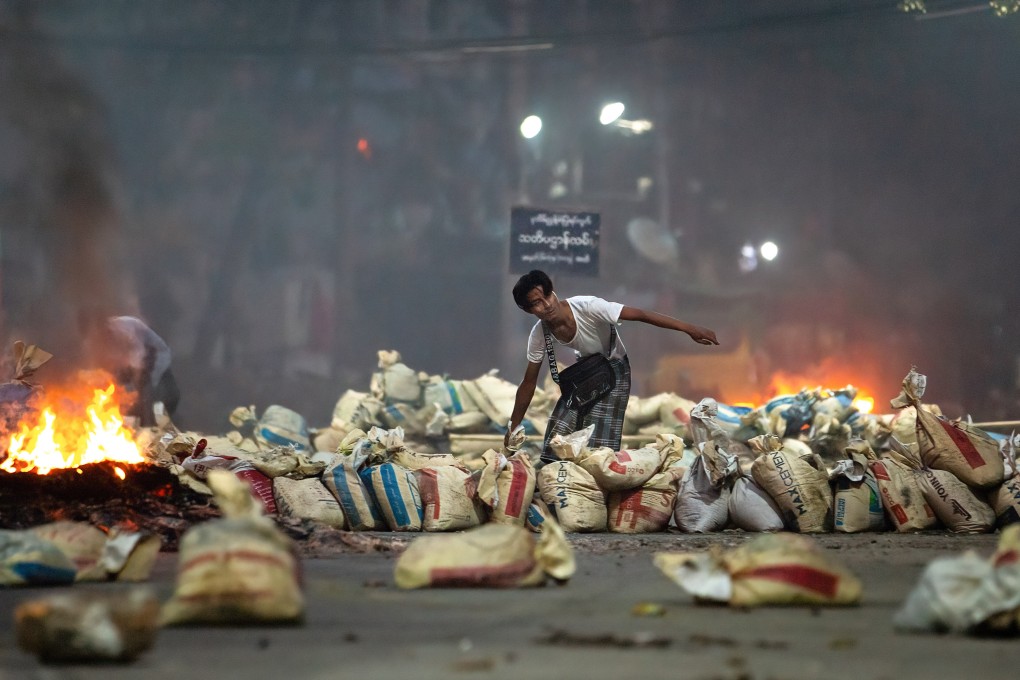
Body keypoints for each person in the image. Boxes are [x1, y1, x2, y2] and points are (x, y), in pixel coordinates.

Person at [505, 270, 718, 462]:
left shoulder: (588, 306)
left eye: (547, 295)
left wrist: (690, 329)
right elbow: (529, 382)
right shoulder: (539, 334)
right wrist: (513, 427)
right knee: (558, 433)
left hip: (615, 370)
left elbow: (641, 315)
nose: (547, 304)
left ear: (554, 292)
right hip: (588, 373)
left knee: (600, 445)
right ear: (528, 310)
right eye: (537, 303)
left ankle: (601, 482)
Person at [82, 314, 180, 427]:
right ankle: (136, 420)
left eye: (102, 331)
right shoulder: (95, 340)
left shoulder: (126, 328)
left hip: (154, 358)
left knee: (166, 397)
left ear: (108, 325)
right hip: (131, 367)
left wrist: (136, 389)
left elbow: (138, 357)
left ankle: (150, 425)